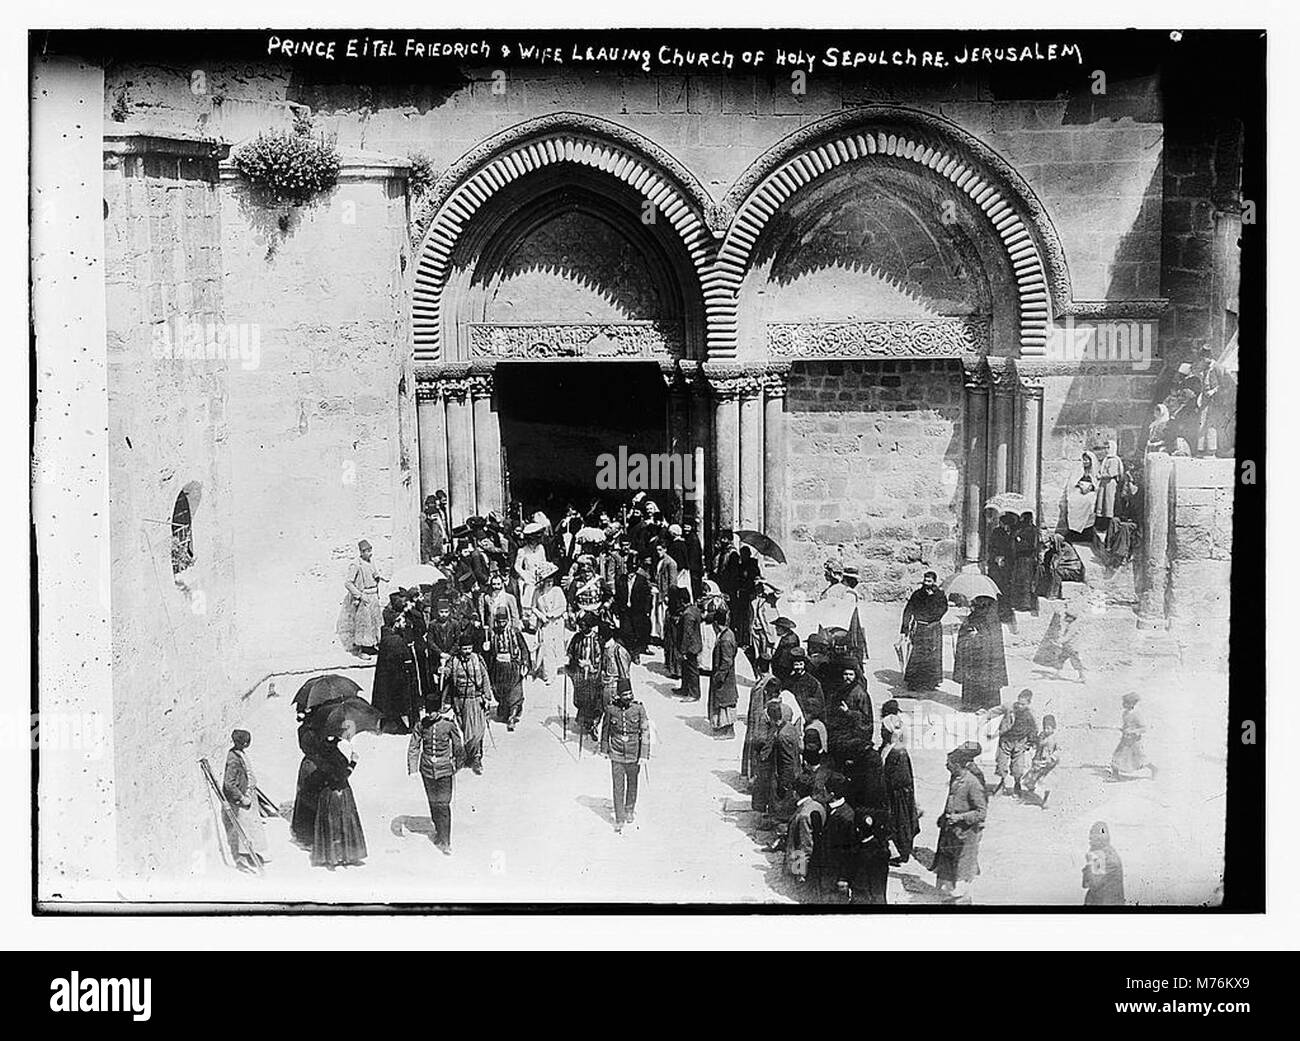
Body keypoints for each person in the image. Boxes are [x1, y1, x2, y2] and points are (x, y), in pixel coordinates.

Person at [407, 701, 465, 854]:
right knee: (433, 803)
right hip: (427, 770)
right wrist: (413, 769)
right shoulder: (421, 725)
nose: (430, 714)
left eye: (433, 711)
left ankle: (446, 842)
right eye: (428, 711)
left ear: (439, 710)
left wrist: (457, 765)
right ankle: (439, 833)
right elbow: (414, 746)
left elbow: (458, 746)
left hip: (445, 770)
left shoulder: (448, 725)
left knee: (443, 805)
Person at [932, 741, 987, 899]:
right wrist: (944, 816)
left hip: (967, 830)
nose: (946, 765)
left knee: (963, 872)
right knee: (949, 872)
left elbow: (981, 809)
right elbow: (952, 798)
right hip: (952, 830)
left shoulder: (973, 779)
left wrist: (961, 817)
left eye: (949, 763)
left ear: (958, 764)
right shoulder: (956, 776)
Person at [311, 719, 367, 869]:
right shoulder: (332, 754)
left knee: (333, 825)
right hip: (337, 792)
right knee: (340, 823)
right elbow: (341, 776)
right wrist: (353, 762)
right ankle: (342, 856)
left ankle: (334, 856)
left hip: (327, 794)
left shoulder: (323, 750)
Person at [600, 677, 651, 834]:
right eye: (625, 695)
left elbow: (645, 732)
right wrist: (604, 749)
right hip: (616, 752)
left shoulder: (638, 709)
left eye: (630, 694)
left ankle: (630, 809)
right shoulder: (611, 709)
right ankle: (619, 817)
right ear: (619, 695)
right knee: (618, 786)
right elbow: (606, 729)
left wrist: (644, 754)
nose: (629, 697)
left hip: (634, 753)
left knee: (632, 783)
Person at [442, 633, 493, 775]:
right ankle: (461, 758)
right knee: (460, 731)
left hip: (474, 700)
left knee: (476, 731)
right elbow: (447, 673)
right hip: (458, 701)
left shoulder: (477, 659)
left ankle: (476, 758)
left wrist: (487, 697)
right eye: (464, 648)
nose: (467, 651)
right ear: (460, 649)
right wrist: (443, 671)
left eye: (469, 648)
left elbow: (485, 678)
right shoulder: (454, 661)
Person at [221, 729, 269, 872]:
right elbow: (229, 784)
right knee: (243, 830)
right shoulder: (233, 759)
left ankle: (250, 855)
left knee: (251, 829)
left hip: (248, 797)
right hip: (241, 801)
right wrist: (242, 798)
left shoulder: (239, 754)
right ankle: (242, 860)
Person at [953, 595, 1008, 711]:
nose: (971, 608)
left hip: (987, 659)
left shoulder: (992, 619)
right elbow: (964, 631)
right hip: (973, 656)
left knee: (987, 679)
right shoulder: (972, 617)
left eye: (974, 606)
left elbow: (991, 639)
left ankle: (988, 704)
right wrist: (967, 632)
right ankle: (972, 704)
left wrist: (977, 636)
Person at [879, 713, 920, 864]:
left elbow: (902, 778)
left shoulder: (898, 752)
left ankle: (901, 853)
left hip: (898, 795)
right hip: (891, 792)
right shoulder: (888, 747)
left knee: (900, 823)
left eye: (883, 729)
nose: (881, 731)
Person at [753, 700, 801, 825]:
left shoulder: (782, 736)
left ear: (769, 717)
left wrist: (783, 783)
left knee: (782, 809)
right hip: (794, 771)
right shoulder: (789, 727)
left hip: (786, 776)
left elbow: (787, 762)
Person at [372, 610, 420, 733]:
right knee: (402, 704)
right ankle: (406, 726)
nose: (404, 622)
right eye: (401, 620)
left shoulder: (388, 637)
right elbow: (402, 662)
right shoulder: (395, 641)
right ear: (396, 623)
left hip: (391, 679)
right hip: (400, 680)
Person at [486, 605, 531, 731]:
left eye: (503, 621)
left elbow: (524, 649)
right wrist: (486, 647)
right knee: (501, 692)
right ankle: (505, 710)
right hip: (498, 668)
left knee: (515, 693)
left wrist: (525, 663)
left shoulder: (515, 632)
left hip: (513, 666)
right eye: (499, 621)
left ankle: (512, 716)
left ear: (508, 620)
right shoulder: (491, 633)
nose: (501, 624)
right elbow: (487, 653)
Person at [336, 539, 385, 655]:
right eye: (367, 551)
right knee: (364, 624)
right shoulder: (356, 565)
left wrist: (378, 577)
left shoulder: (371, 562)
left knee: (375, 623)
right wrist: (360, 595)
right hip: (365, 597)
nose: (370, 553)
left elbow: (373, 573)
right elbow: (348, 583)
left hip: (374, 596)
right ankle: (362, 650)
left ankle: (371, 646)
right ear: (361, 552)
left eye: (370, 550)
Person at [900, 571, 947, 691]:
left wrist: (932, 602)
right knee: (918, 654)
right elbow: (908, 610)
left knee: (933, 654)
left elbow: (943, 608)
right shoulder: (917, 594)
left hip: (933, 628)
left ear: (934, 582)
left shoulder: (940, 595)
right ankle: (914, 681)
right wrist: (904, 629)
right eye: (925, 581)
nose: (926, 583)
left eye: (929, 581)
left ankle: (931, 681)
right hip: (920, 628)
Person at [989, 688, 1039, 797]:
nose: (1020, 706)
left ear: (1028, 703)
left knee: (1018, 768)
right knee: (1001, 764)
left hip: (1020, 743)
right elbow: (996, 710)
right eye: (1019, 703)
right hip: (1006, 741)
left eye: (1023, 704)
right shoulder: (1010, 707)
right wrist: (986, 715)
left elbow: (1034, 730)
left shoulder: (1031, 715)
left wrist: (1029, 743)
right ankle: (1001, 783)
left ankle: (1017, 784)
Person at [785, 774, 826, 889]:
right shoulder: (818, 805)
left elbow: (805, 845)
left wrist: (800, 873)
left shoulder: (803, 815)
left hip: (803, 866)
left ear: (795, 793)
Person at [821, 774, 857, 902]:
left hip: (836, 874)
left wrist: (844, 877)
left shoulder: (844, 817)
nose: (822, 792)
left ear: (831, 794)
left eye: (825, 790)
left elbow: (849, 850)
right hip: (830, 869)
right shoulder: (838, 810)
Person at [531, 564, 568, 684]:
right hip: (545, 624)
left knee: (556, 646)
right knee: (546, 648)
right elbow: (533, 607)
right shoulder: (538, 592)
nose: (549, 584)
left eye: (551, 581)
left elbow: (563, 607)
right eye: (547, 581)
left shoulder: (557, 591)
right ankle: (548, 673)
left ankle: (557, 669)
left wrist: (552, 614)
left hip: (556, 623)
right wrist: (541, 616)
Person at [1111, 692, 1157, 780]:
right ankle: (1115, 776)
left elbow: (1143, 728)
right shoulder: (1125, 713)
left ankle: (1154, 769)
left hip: (1134, 741)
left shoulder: (1136, 715)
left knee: (1140, 758)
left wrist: (1133, 731)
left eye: (1126, 703)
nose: (1123, 704)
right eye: (1124, 702)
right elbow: (1126, 725)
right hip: (1125, 739)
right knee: (1117, 755)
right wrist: (1123, 729)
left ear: (1132, 704)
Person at [708, 607, 739, 737]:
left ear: (716, 624)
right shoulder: (728, 634)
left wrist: (719, 676)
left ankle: (728, 730)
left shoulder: (725, 639)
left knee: (724, 702)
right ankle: (722, 727)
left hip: (724, 677)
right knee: (723, 701)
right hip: (726, 675)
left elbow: (727, 661)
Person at [1082, 821, 1126, 905]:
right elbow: (1086, 883)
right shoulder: (1108, 853)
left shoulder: (1100, 856)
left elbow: (1092, 884)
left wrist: (1090, 862)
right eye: (1090, 835)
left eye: (1093, 835)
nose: (1090, 839)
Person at [1022, 713, 1059, 808]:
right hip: (1039, 761)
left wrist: (1053, 758)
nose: (1046, 730)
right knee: (1030, 778)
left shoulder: (1056, 738)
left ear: (1054, 728)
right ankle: (1031, 789)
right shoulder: (1042, 735)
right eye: (1045, 728)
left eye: (1049, 728)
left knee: (1047, 782)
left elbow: (1059, 750)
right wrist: (1031, 746)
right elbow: (1037, 744)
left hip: (1050, 764)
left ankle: (1046, 800)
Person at [1043, 606, 1087, 682]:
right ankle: (1057, 674)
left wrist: (1058, 642)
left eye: (1067, 616)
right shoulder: (1070, 625)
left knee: (1075, 661)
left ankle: (1082, 676)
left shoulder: (1073, 627)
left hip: (1072, 647)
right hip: (1067, 646)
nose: (1065, 617)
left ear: (1072, 618)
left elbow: (1067, 637)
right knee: (1060, 659)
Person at [782, 648, 825, 723]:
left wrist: (809, 717)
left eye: (800, 664)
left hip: (809, 718)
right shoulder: (788, 681)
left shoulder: (812, 682)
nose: (798, 667)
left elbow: (819, 704)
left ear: (804, 665)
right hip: (793, 718)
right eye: (796, 664)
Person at [1010, 512, 1039, 613]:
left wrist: (1018, 540)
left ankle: (1025, 603)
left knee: (1025, 581)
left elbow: (1031, 545)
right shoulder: (1024, 529)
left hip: (1025, 558)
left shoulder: (1030, 530)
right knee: (1021, 580)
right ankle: (1020, 603)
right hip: (1022, 558)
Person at [676, 591, 703, 700]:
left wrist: (683, 650)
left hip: (690, 647)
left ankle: (693, 694)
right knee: (686, 668)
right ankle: (685, 688)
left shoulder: (687, 614)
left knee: (692, 670)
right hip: (695, 643)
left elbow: (687, 634)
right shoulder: (694, 609)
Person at [1065, 452, 1099, 539]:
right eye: (1083, 460)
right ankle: (1074, 528)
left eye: (1087, 460)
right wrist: (1080, 486)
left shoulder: (1094, 471)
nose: (1085, 462)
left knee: (1089, 501)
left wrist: (1090, 487)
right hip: (1079, 490)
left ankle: (1085, 531)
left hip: (1090, 492)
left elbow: (1096, 484)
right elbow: (1073, 482)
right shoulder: (1079, 470)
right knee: (1074, 501)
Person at [749, 581, 779, 675]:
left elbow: (779, 591)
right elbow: (751, 616)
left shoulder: (770, 598)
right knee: (757, 654)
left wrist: (766, 582)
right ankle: (759, 674)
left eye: (760, 586)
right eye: (756, 586)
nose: (758, 588)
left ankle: (769, 675)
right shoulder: (753, 601)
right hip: (756, 630)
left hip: (767, 631)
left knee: (768, 654)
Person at [1095, 441, 1124, 536]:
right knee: (1101, 502)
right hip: (1104, 483)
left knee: (1108, 502)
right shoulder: (1106, 459)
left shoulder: (1114, 460)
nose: (1106, 450)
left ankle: (1107, 524)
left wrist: (1101, 475)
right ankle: (1101, 523)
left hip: (1110, 484)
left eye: (1108, 447)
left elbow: (1111, 473)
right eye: (1105, 448)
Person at [770, 616, 800, 684]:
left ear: (783, 628)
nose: (776, 629)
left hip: (783, 672)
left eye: (777, 627)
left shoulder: (789, 641)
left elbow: (783, 661)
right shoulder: (789, 637)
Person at [420, 494, 447, 565]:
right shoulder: (425, 522)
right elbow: (429, 539)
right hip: (431, 554)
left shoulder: (436, 519)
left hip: (435, 552)